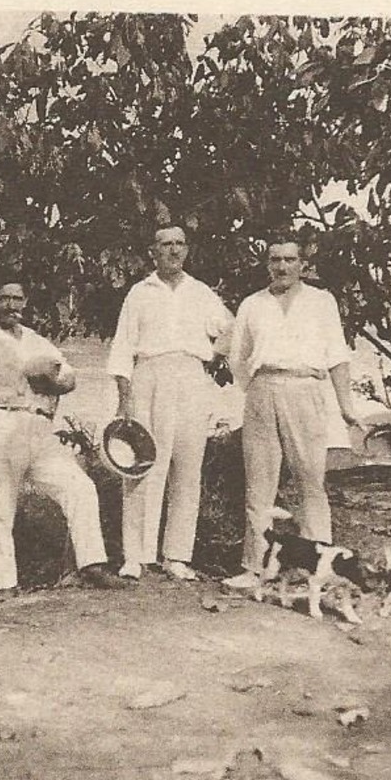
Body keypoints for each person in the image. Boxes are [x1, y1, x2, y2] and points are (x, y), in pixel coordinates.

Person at [0, 282, 127, 596]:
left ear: (25, 301)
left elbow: (69, 378)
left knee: (80, 486)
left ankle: (92, 565)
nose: (10, 304)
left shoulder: (37, 342)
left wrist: (51, 379)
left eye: (16, 298)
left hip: (40, 427)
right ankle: (3, 584)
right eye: (3, 297)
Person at [221, 235, 363, 589]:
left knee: (311, 482)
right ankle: (254, 568)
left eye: (289, 259)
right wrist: (257, 388)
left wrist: (346, 407)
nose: (282, 267)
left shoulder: (321, 301)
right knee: (259, 484)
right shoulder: (252, 304)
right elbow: (237, 358)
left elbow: (337, 356)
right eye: (274, 260)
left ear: (303, 264)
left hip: (307, 390)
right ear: (267, 264)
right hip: (263, 390)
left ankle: (320, 567)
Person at [107, 225, 234, 581]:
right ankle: (136, 555)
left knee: (187, 468)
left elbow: (230, 329)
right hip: (150, 376)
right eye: (166, 245)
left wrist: (212, 356)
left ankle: (176, 556)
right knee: (142, 465)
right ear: (153, 252)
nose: (173, 251)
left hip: (192, 379)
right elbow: (121, 349)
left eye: (179, 244)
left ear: (187, 250)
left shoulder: (201, 292)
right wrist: (124, 401)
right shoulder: (139, 292)